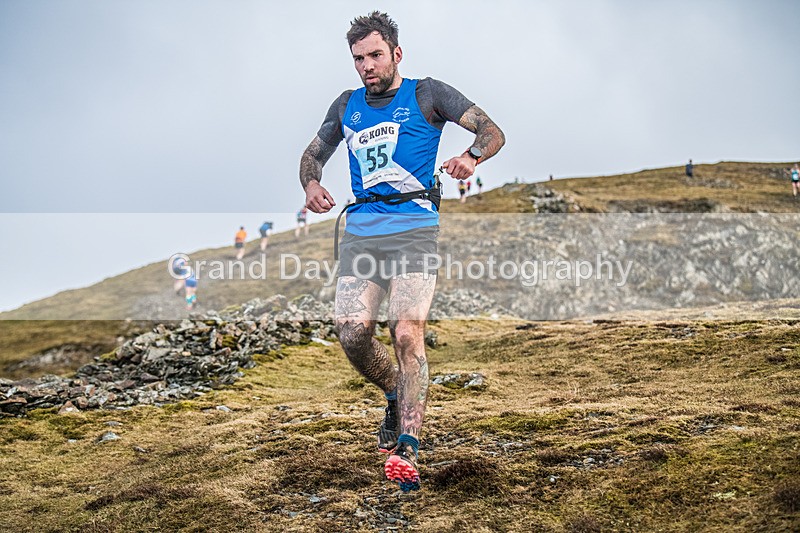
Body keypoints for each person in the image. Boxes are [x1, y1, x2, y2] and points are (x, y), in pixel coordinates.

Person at [298, 11, 504, 492]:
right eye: (358, 59)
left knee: (406, 332)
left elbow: (492, 131)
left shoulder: (428, 93)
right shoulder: (347, 104)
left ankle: (407, 446)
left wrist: (470, 157)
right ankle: (394, 390)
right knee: (350, 333)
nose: (367, 66)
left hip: (414, 229)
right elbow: (313, 153)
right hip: (362, 232)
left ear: (396, 53)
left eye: (374, 55)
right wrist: (311, 184)